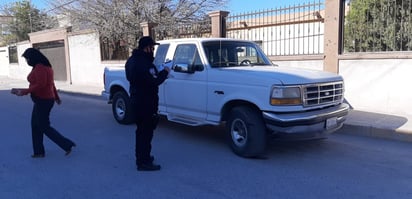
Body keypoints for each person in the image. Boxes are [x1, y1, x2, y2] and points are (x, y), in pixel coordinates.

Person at [11, 48, 76, 158]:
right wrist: (56, 97)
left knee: (44, 126)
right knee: (35, 126)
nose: (27, 61)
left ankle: (67, 144)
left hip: (43, 101)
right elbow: (51, 84)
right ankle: (39, 152)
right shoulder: (45, 66)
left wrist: (23, 92)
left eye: (27, 59)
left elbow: (41, 85)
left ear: (33, 58)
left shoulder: (40, 67)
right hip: (43, 100)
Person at [125, 36, 170, 171]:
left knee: (141, 132)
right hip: (146, 103)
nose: (153, 50)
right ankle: (143, 162)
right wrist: (165, 72)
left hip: (137, 100)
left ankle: (144, 157)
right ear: (146, 48)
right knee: (146, 133)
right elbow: (154, 81)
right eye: (152, 48)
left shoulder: (131, 61)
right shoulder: (144, 63)